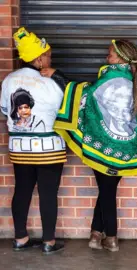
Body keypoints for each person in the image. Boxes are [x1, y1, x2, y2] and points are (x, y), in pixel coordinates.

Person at [42, 39, 137, 252]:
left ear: (119, 57)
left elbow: (85, 94)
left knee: (107, 193)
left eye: (109, 53)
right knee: (107, 189)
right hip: (126, 147)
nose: (106, 57)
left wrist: (56, 75)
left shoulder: (111, 77)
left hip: (104, 144)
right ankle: (95, 234)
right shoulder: (135, 79)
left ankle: (111, 238)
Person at [0, 27, 67, 254]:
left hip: (19, 148)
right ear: (38, 59)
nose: (50, 58)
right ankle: (48, 242)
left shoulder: (9, 80)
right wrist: (58, 75)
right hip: (50, 147)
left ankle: (20, 238)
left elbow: (3, 108)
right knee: (48, 193)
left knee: (22, 190)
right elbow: (72, 103)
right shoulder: (51, 81)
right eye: (47, 55)